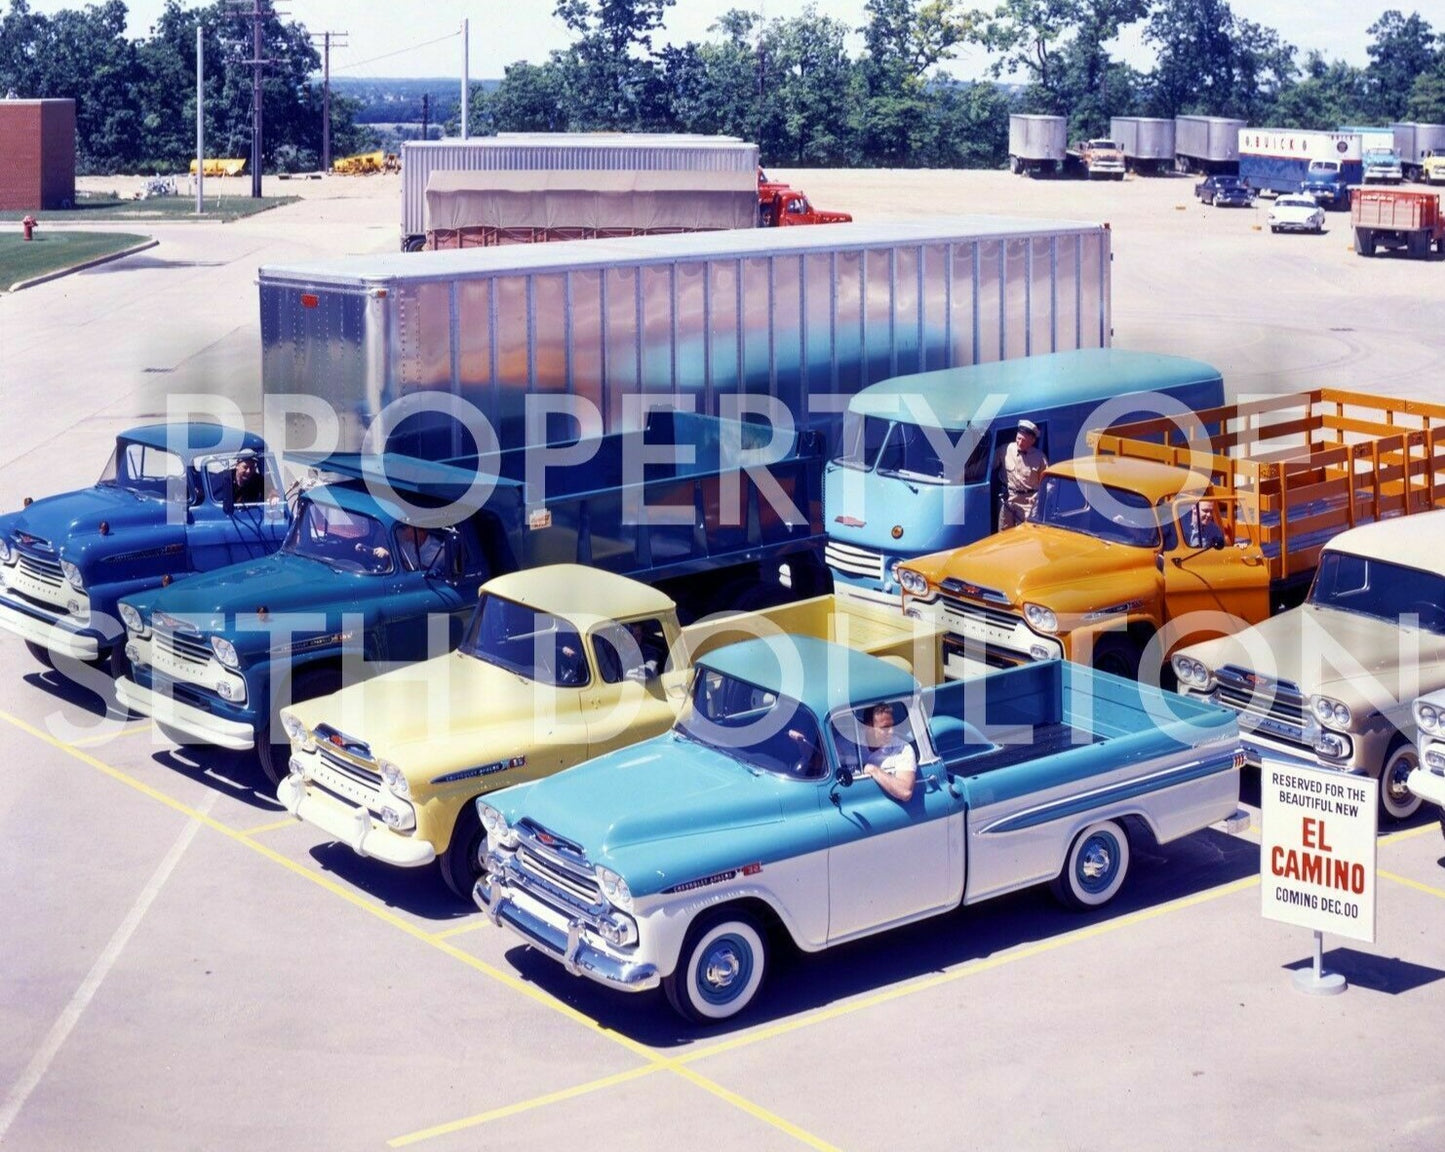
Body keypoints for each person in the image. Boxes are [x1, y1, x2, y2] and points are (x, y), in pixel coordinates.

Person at [859, 702, 917, 802]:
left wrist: (873, 770)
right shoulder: (847, 745)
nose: (891, 731)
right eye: (885, 727)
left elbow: (905, 792)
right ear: (869, 727)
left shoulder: (903, 749)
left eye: (892, 726)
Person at [998, 419, 1047, 530]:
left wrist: (1037, 496)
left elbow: (1048, 484)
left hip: (1028, 503)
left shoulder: (1040, 458)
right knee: (1003, 535)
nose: (1020, 443)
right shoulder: (1005, 450)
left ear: (1032, 441)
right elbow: (987, 466)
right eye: (1018, 438)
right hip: (1008, 500)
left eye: (1024, 440)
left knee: (1026, 536)